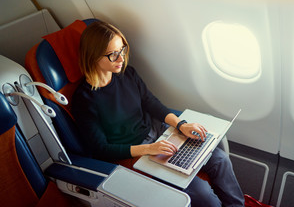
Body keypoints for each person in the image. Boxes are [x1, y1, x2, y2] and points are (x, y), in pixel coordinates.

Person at [71, 20, 245, 207]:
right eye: (114, 54)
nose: (121, 58)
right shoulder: (84, 100)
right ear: (93, 56)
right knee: (202, 194)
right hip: (135, 152)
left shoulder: (127, 74)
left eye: (122, 49)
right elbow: (101, 148)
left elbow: (150, 102)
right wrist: (149, 149)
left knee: (220, 159)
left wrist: (181, 125)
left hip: (159, 132)